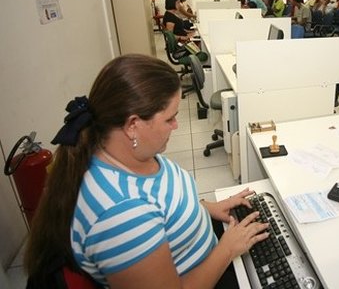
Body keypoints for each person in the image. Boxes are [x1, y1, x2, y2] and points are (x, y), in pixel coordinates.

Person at [24, 54, 270, 289]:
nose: (176, 125)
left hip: (209, 251)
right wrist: (228, 249)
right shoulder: (121, 215)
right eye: (170, 118)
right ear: (133, 125)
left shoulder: (120, 153)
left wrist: (206, 208)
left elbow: (161, 200)